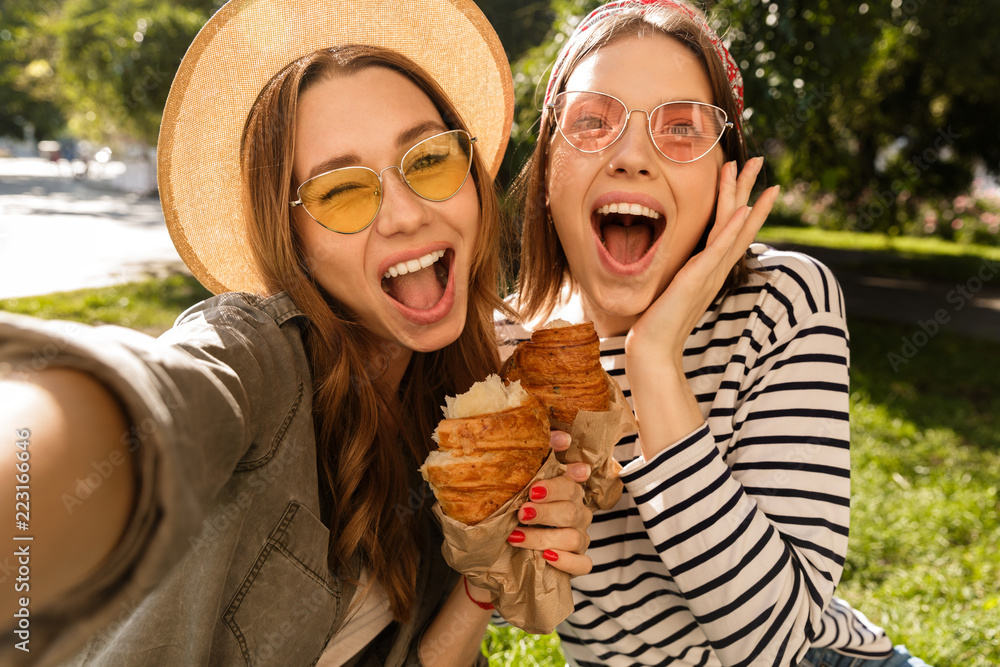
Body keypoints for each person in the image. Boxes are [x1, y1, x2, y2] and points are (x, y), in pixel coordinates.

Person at [0, 0, 592, 665]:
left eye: (428, 160)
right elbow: (152, 399)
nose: (404, 214)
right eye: (341, 192)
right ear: (295, 243)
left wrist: (486, 564)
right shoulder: (258, 358)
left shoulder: (459, 403)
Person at [501, 1, 930, 665]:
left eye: (679, 128)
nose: (632, 157)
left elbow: (775, 643)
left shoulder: (783, 302)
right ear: (548, 171)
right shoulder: (506, 348)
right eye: (592, 121)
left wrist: (655, 361)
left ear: (722, 176)